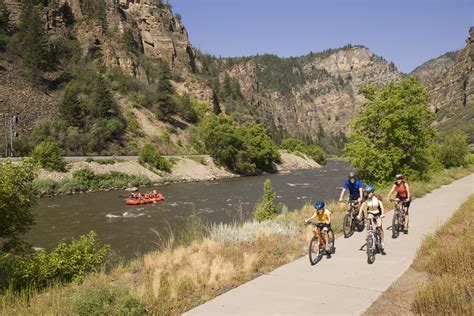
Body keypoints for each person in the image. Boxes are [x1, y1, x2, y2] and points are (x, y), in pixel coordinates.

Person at [358, 185, 386, 254]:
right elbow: (362, 207)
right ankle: (368, 234)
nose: (368, 194)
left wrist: (382, 214)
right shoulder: (366, 199)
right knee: (368, 220)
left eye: (370, 192)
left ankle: (382, 242)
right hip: (370, 213)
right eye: (367, 192)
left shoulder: (377, 198)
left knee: (379, 227)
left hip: (377, 213)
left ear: (373, 192)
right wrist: (359, 214)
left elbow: (381, 207)